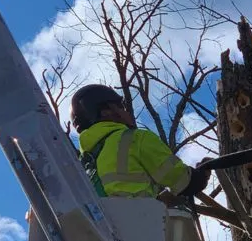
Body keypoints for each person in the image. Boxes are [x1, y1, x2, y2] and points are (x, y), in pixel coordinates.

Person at [69, 84, 212, 199]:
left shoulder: (82, 164)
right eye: (121, 107)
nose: (126, 112)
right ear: (106, 111)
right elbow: (181, 180)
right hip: (141, 225)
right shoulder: (134, 139)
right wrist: (199, 177)